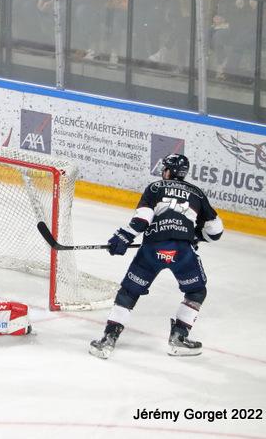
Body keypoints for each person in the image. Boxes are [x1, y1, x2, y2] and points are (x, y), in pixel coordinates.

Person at [89, 154, 224, 359]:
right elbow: (215, 231)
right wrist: (194, 236)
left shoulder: (155, 187)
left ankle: (108, 339)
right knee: (196, 291)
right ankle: (179, 337)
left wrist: (123, 237)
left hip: (152, 249)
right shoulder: (197, 193)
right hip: (182, 252)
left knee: (129, 292)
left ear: (168, 171)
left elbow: (143, 219)